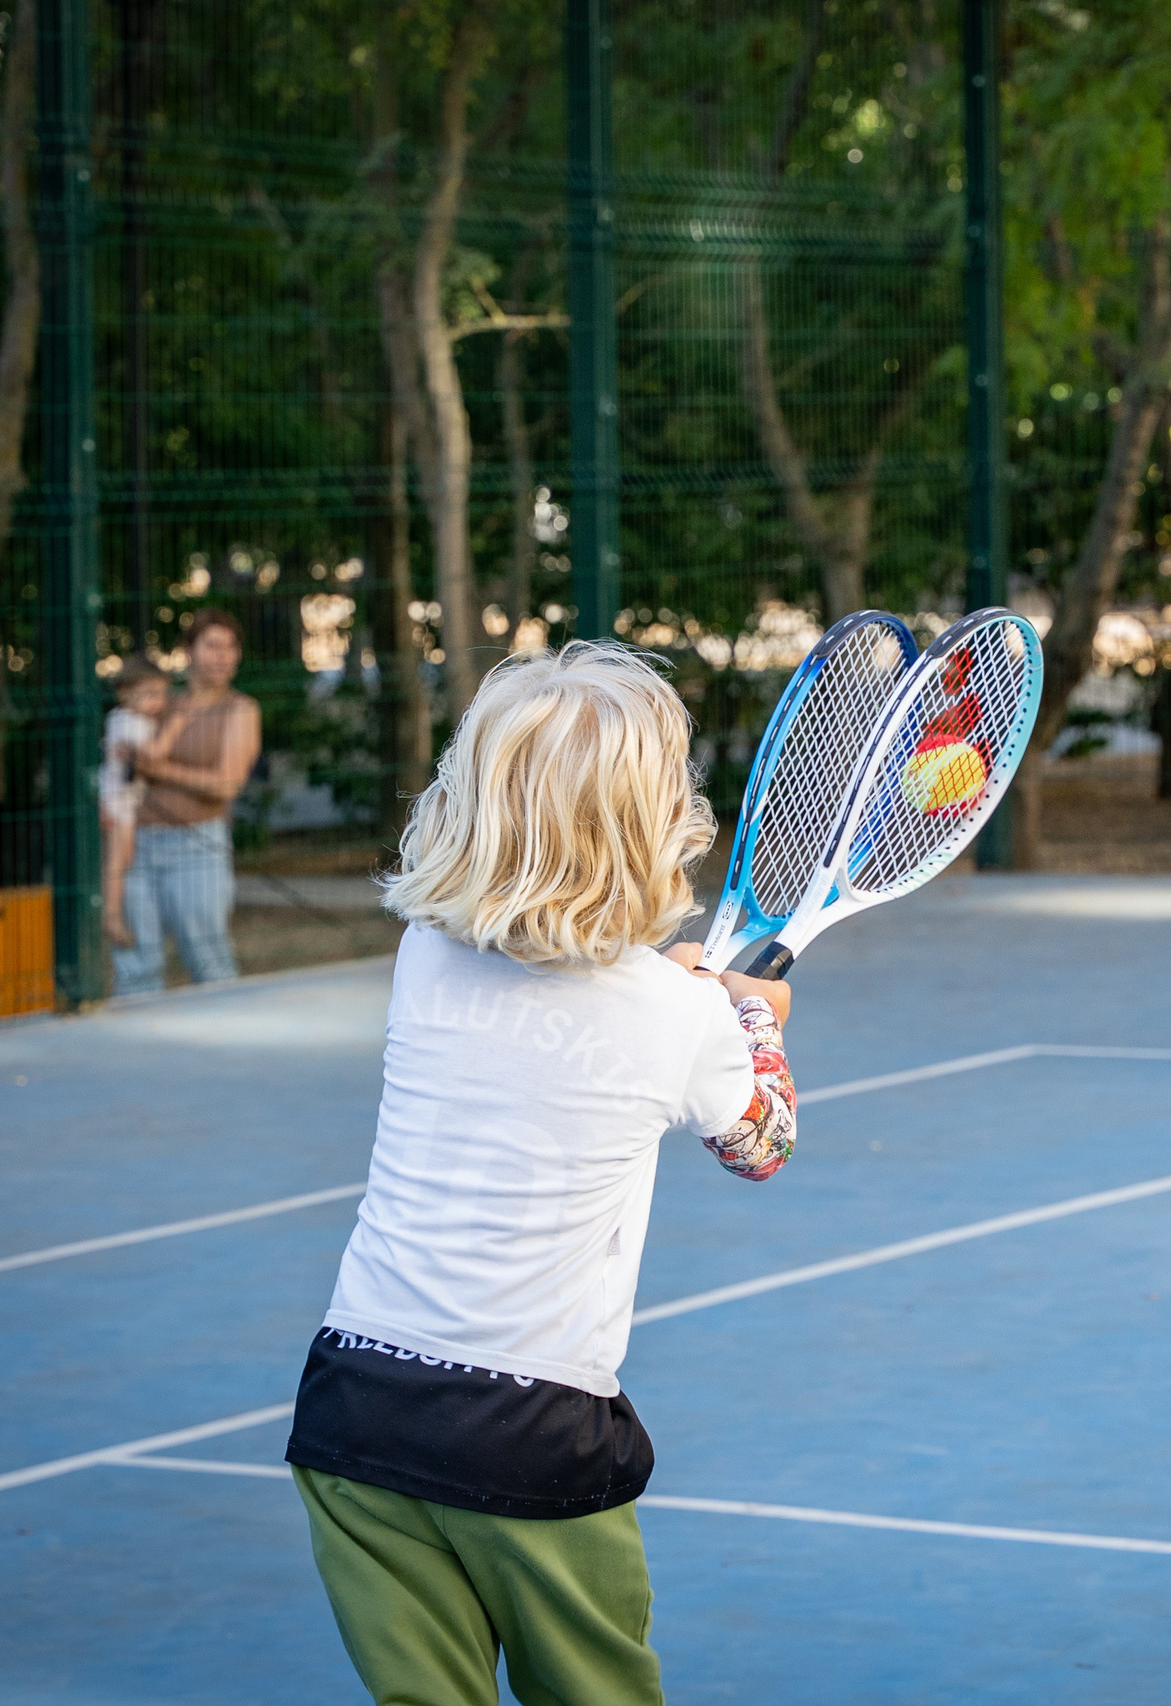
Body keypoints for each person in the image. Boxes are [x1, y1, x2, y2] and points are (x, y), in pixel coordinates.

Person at [285, 642, 799, 1706]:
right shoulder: (682, 1014)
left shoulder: (424, 950)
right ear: (651, 823)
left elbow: (559, 993)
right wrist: (754, 1018)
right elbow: (760, 1143)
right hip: (532, 1439)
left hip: (353, 1413)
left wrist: (689, 992)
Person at [114, 608, 263, 994]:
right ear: (188, 651)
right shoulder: (161, 703)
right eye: (212, 645)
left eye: (231, 647)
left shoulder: (239, 709)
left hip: (196, 848)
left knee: (210, 966)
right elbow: (123, 754)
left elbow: (226, 784)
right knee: (135, 969)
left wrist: (157, 771)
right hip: (136, 848)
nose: (223, 656)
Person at [99, 660, 168, 948]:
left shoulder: (131, 720)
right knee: (118, 860)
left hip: (123, 800)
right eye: (149, 694)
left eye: (160, 694)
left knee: (125, 859)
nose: (157, 702)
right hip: (119, 801)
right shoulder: (128, 722)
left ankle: (116, 912)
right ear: (124, 693)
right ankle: (111, 916)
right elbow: (149, 757)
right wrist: (175, 728)